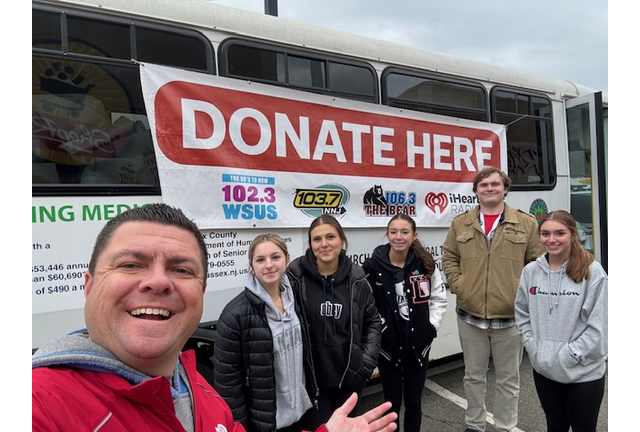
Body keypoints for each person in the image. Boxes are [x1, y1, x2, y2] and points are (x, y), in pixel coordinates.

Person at [32, 203, 398, 432]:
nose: (157, 282)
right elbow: (233, 382)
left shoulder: (196, 390)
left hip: (306, 405)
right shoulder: (38, 404)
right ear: (88, 284)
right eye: (130, 265)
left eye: (180, 269)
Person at [442, 167, 545, 432]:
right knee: (473, 377)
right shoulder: (461, 223)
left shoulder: (526, 223)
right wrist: (460, 286)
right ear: (476, 191)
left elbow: (537, 263)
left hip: (510, 317)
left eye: (495, 184)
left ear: (505, 189)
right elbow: (449, 256)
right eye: (483, 184)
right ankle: (475, 425)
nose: (489, 188)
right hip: (470, 315)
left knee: (508, 379)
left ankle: (504, 426)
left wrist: (521, 294)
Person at [515, 210, 607, 432]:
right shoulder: (531, 272)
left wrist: (570, 355)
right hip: (544, 369)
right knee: (555, 426)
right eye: (545, 233)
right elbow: (521, 312)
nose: (552, 239)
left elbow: (600, 326)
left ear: (573, 235)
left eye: (559, 233)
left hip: (583, 372)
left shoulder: (592, 272)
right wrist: (533, 346)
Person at [287, 214, 382, 431]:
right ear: (310, 244)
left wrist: (365, 365)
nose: (324, 244)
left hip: (348, 381)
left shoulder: (357, 279)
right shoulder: (295, 277)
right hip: (312, 384)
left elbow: (373, 322)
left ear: (342, 240)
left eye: (330, 237)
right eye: (317, 239)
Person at [214, 233, 314, 432]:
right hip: (265, 421)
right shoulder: (235, 315)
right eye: (260, 260)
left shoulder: (297, 298)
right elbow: (229, 386)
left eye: (275, 257)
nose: (269, 265)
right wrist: (240, 428)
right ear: (251, 265)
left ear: (287, 258)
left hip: (300, 412)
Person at [362, 214, 448, 432]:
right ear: (387, 234)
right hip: (388, 350)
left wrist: (430, 328)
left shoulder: (425, 264)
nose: (398, 237)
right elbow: (366, 307)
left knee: (414, 401)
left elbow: (438, 298)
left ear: (414, 235)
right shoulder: (371, 267)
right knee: (391, 404)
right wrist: (380, 333)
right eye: (393, 232)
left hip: (418, 347)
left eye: (404, 232)